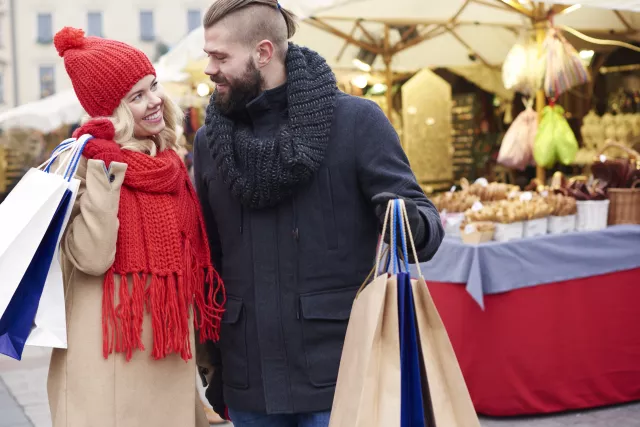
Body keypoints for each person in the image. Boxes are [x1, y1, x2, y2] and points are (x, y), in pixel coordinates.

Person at [193, 1, 445, 426]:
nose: (209, 69)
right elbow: (209, 257)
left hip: (341, 373)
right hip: (247, 380)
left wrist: (406, 220)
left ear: (263, 53)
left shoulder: (356, 122)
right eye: (208, 56)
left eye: (220, 57)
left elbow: (426, 224)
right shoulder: (209, 143)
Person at [46, 27, 225, 427]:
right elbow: (92, 258)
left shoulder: (173, 166)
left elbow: (191, 269)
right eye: (137, 96)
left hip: (170, 358)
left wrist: (207, 368)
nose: (155, 100)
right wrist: (104, 170)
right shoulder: (83, 167)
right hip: (107, 366)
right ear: (112, 111)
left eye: (153, 86)